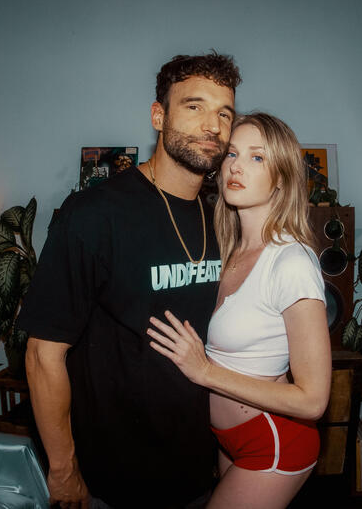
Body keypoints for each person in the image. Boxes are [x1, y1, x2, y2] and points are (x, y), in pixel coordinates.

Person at [19, 52, 242, 509]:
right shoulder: (95, 214)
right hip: (112, 481)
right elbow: (43, 355)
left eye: (224, 114)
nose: (213, 126)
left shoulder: (222, 219)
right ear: (159, 116)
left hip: (195, 471)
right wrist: (63, 469)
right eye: (195, 106)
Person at [147, 113, 333, 509]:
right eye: (231, 153)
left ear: (281, 178)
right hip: (229, 439)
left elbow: (314, 400)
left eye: (257, 157)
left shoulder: (291, 262)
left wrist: (205, 372)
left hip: (274, 440)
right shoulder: (226, 249)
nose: (236, 166)